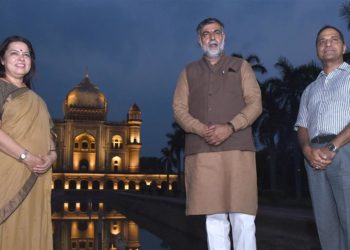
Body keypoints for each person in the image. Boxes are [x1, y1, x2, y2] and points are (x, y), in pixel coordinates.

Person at [173, 17, 262, 250]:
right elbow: (179, 110)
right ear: (199, 40)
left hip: (238, 149)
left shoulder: (242, 67)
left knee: (242, 216)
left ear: (224, 37)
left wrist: (230, 127)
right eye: (206, 33)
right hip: (203, 152)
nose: (212, 37)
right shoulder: (188, 72)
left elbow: (255, 104)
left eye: (216, 32)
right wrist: (202, 129)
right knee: (214, 219)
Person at [295, 25, 350, 250]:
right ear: (317, 49)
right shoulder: (309, 89)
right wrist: (307, 151)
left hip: (344, 150)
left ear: (344, 46)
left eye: (333, 39)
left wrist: (333, 146)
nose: (327, 44)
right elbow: (302, 126)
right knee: (326, 225)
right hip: (314, 158)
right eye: (322, 41)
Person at [0, 35, 57, 249]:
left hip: (36, 176)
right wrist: (26, 157)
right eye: (14, 53)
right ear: (3, 60)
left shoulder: (36, 99)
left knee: (29, 233)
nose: (21, 58)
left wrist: (51, 157)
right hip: (8, 178)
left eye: (26, 54)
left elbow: (50, 138)